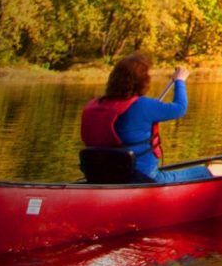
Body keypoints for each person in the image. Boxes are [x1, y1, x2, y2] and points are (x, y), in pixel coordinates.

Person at [81, 52, 213, 183]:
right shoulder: (143, 105)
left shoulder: (96, 104)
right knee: (203, 172)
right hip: (143, 177)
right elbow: (180, 108)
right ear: (142, 81)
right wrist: (180, 81)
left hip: (100, 175)